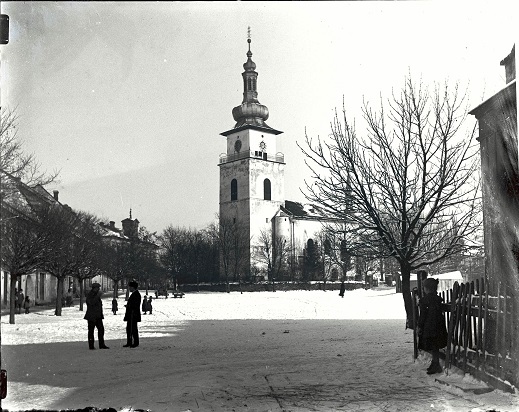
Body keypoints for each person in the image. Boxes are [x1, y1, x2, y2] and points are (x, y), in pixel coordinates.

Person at [417, 278, 448, 375]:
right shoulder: (437, 299)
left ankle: (436, 364)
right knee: (435, 345)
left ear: (427, 288)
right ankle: (435, 363)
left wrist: (420, 326)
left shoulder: (425, 301)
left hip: (429, 326)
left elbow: (423, 315)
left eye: (424, 287)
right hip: (438, 325)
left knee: (431, 345)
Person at [84, 283, 109, 350]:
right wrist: (97, 296)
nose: (98, 289)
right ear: (94, 288)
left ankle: (101, 344)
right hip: (92, 316)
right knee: (91, 331)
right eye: (97, 288)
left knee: (101, 330)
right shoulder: (90, 295)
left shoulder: (95, 295)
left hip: (98, 316)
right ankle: (91, 345)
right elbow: (90, 303)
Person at [123, 280, 141, 348]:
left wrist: (129, 306)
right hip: (131, 314)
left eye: (130, 287)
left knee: (133, 329)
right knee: (129, 328)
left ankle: (135, 342)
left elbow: (135, 305)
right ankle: (129, 342)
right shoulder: (134, 294)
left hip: (133, 314)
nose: (129, 288)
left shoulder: (136, 294)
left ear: (133, 287)